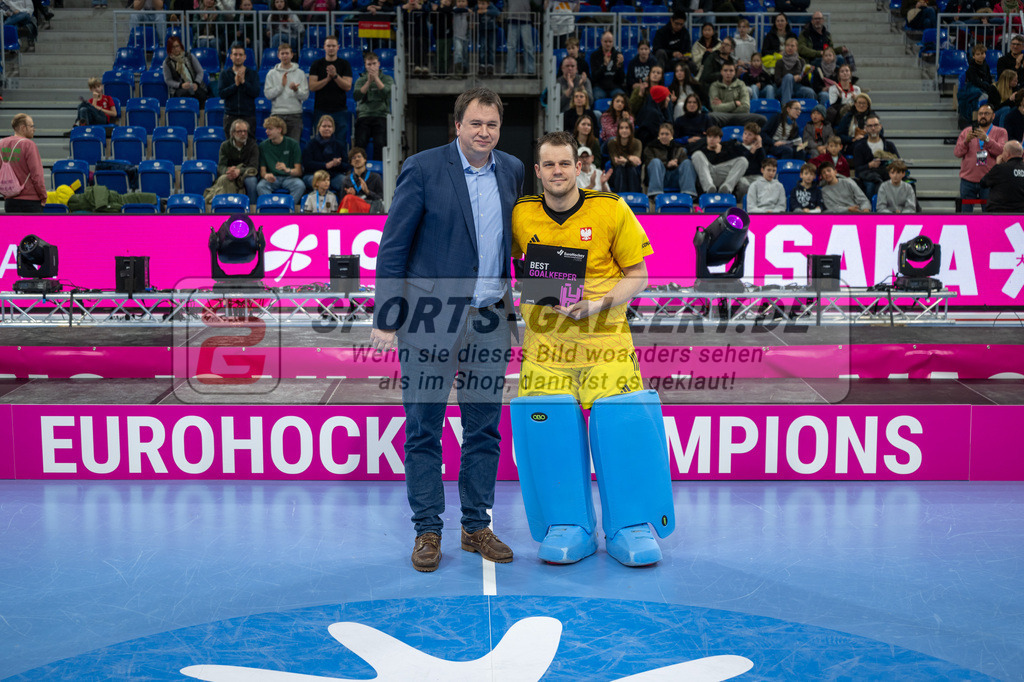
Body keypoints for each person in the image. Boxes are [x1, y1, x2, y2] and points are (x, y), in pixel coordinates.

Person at [370, 88, 525, 573]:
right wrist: (386, 315)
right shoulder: (422, 167)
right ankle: (428, 531)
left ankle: (476, 525)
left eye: (492, 125)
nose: (484, 133)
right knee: (423, 430)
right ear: (456, 125)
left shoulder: (513, 171)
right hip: (429, 321)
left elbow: (517, 245)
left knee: (484, 429)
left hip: (489, 320)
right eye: (475, 123)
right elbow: (393, 248)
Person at [510, 130, 675, 567]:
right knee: (551, 433)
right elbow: (508, 265)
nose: (558, 171)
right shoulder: (521, 214)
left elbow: (638, 275)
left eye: (565, 163)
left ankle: (631, 524)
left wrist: (598, 303)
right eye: (549, 165)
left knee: (624, 430)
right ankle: (569, 525)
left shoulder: (611, 208)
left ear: (579, 167)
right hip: (546, 346)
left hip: (606, 343)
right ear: (538, 170)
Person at [955, 103, 1007, 212]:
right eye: (980, 114)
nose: (983, 116)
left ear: (993, 116)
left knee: (989, 214)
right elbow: (957, 153)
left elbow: (1002, 152)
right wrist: (966, 141)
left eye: (986, 113)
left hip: (989, 181)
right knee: (965, 214)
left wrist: (987, 140)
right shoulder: (966, 132)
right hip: (968, 180)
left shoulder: (1001, 132)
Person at [308, 36, 353, 144]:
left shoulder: (344, 64)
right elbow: (312, 86)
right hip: (321, 109)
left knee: (340, 142)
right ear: (324, 47)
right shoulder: (316, 64)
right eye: (328, 46)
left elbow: (347, 86)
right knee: (320, 142)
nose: (331, 48)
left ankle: (339, 161)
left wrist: (335, 76)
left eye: (333, 46)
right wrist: (328, 79)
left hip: (340, 110)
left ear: (338, 47)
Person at [352, 51, 393, 161]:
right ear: (365, 65)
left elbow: (388, 93)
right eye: (369, 64)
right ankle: (359, 166)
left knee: (380, 142)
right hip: (364, 115)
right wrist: (369, 82)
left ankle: (379, 168)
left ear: (378, 64)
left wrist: (376, 79)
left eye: (374, 63)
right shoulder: (361, 79)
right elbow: (356, 96)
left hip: (381, 115)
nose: (372, 67)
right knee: (360, 142)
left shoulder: (387, 79)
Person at [264, 43, 309, 143]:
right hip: (277, 115)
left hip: (295, 115)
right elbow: (268, 95)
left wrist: (296, 90)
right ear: (278, 55)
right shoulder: (271, 74)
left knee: (293, 146)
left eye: (287, 53)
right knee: (277, 145)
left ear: (292, 55)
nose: (285, 56)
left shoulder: (300, 73)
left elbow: (305, 96)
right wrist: (281, 86)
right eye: (282, 53)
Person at [0, 114, 45, 213]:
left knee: (15, 229)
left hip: (10, 201)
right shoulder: (29, 145)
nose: (34, 129)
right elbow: (37, 175)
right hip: (31, 202)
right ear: (23, 128)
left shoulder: (1, 144)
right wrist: (43, 196)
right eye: (32, 126)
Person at [210, 118, 259, 205]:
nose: (243, 134)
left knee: (251, 181)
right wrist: (228, 172)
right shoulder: (225, 146)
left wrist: (239, 171)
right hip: (230, 173)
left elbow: (254, 166)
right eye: (239, 131)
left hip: (246, 174)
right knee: (224, 179)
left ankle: (252, 209)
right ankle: (227, 207)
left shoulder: (253, 145)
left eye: (245, 131)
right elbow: (221, 166)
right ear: (233, 133)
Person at [256, 115, 305, 204]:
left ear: (279, 129)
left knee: (300, 185)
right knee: (261, 186)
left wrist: (287, 170)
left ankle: (288, 208)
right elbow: (262, 171)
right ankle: (271, 209)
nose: (267, 131)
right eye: (266, 129)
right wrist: (266, 176)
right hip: (273, 178)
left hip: (289, 177)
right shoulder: (263, 146)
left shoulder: (293, 144)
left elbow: (298, 172)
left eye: (270, 129)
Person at [851, 114, 902, 199]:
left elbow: (899, 163)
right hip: (869, 176)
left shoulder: (889, 145)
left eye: (875, 125)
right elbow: (858, 169)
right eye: (870, 126)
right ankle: (870, 210)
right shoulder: (859, 147)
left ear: (880, 127)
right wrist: (870, 165)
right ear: (866, 128)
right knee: (871, 185)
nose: (873, 128)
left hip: (888, 175)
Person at [644, 121, 697, 198]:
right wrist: (667, 165)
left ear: (671, 135)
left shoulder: (679, 148)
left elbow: (684, 166)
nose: (664, 136)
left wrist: (676, 164)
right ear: (658, 135)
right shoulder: (650, 148)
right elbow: (649, 164)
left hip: (676, 177)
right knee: (655, 162)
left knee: (687, 162)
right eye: (662, 134)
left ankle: (688, 195)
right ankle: (655, 194)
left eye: (667, 134)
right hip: (658, 178)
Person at [691, 125, 747, 195]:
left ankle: (727, 187)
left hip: (723, 175)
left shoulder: (726, 147)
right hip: (708, 174)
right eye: (709, 137)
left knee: (743, 160)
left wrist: (719, 153)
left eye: (715, 137)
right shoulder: (702, 149)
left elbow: (740, 156)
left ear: (720, 139)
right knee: (697, 154)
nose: (711, 139)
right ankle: (708, 188)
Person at [219, 43, 259, 139]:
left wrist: (244, 82)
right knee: (231, 147)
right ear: (231, 56)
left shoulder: (252, 74)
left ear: (244, 57)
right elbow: (221, 94)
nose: (238, 57)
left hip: (248, 116)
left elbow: (256, 92)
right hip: (230, 116)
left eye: (240, 55)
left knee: (249, 147)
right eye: (235, 54)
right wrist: (235, 85)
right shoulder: (225, 74)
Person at [708, 63, 766, 128]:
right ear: (721, 72)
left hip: (740, 116)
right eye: (725, 70)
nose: (728, 73)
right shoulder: (715, 86)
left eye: (731, 71)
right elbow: (715, 108)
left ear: (735, 72)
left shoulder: (741, 84)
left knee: (762, 119)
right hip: (722, 116)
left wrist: (723, 105)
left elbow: (746, 108)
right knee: (710, 116)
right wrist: (735, 104)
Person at [302, 115, 349, 193]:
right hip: (313, 175)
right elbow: (307, 164)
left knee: (346, 182)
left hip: (333, 176)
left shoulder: (339, 145)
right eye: (324, 126)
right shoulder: (311, 144)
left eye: (329, 126)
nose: (327, 128)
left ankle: (341, 204)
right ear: (318, 128)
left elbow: (346, 166)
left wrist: (338, 164)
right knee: (320, 183)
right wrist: (326, 165)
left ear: (333, 129)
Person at [163, 36, 209, 107]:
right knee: (183, 94)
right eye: (173, 47)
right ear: (169, 49)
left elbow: (200, 71)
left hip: (194, 84)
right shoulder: (167, 62)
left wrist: (196, 83)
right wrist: (180, 85)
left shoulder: (189, 56)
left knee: (202, 95)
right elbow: (168, 80)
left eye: (177, 46)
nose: (176, 49)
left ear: (180, 46)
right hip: (179, 88)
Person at [980, 139, 1024, 211]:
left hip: (1000, 212)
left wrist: (998, 165)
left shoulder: (1000, 168)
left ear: (1007, 154)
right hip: (1021, 214)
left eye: (1003, 151)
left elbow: (983, 183)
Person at [339, 145, 384, 213]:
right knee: (348, 198)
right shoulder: (347, 180)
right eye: (353, 158)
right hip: (352, 208)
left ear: (365, 159)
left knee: (349, 198)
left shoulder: (375, 177)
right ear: (351, 162)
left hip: (370, 207)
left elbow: (380, 199)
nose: (357, 159)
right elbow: (342, 201)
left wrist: (368, 192)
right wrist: (351, 195)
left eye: (359, 156)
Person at [775, 37, 816, 105]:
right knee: (788, 77)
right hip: (783, 88)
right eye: (787, 45)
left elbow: (805, 83)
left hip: (797, 87)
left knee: (810, 92)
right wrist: (792, 79)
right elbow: (777, 81)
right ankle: (786, 109)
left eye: (792, 46)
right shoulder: (780, 62)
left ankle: (810, 114)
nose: (790, 48)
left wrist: (805, 75)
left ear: (796, 48)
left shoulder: (801, 61)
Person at [607, 118, 643, 193]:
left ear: (631, 130)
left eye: (627, 128)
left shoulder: (637, 143)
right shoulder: (612, 143)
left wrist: (626, 160)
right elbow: (615, 162)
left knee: (631, 169)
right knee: (620, 168)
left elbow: (636, 162)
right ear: (618, 130)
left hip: (633, 171)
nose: (624, 130)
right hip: (617, 172)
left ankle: (634, 198)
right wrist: (630, 158)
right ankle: (620, 198)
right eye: (621, 128)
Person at [589, 30, 626, 101]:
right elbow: (594, 77)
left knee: (622, 99)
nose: (608, 44)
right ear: (601, 41)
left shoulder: (618, 55)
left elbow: (621, 79)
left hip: (614, 87)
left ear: (613, 42)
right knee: (597, 98)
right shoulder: (594, 55)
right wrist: (604, 66)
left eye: (610, 42)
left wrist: (619, 66)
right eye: (605, 41)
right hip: (600, 87)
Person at [503, 0, 536, 76]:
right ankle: (510, 71)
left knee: (528, 46)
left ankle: (530, 71)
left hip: (526, 19)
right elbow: (505, 4)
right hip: (512, 19)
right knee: (511, 46)